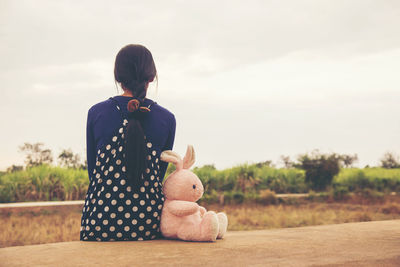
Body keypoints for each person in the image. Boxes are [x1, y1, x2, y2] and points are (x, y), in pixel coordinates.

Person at [80, 44, 176, 241]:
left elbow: (94, 174)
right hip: (148, 224)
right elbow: (157, 177)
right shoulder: (167, 119)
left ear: (118, 77)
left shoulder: (96, 113)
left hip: (99, 222)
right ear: (151, 77)